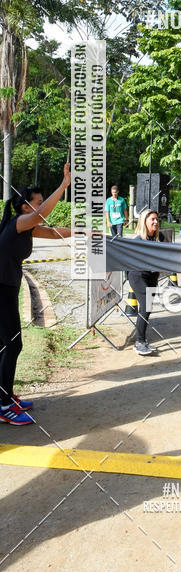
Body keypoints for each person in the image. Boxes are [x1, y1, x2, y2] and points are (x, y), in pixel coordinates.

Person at [0, 163, 72, 424]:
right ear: (24, 206)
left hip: (7, 289)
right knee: (13, 344)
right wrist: (64, 184)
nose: (41, 207)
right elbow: (42, 218)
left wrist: (81, 232)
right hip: (2, 290)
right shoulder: (20, 222)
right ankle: (4, 405)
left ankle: (4, 395)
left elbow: (52, 232)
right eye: (37, 202)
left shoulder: (27, 226)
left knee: (4, 346)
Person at [126, 209, 166, 356]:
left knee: (147, 308)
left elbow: (168, 253)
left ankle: (142, 340)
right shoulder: (137, 241)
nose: (156, 222)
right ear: (144, 222)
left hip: (152, 277)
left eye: (157, 219)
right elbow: (127, 260)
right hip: (137, 276)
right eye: (152, 220)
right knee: (146, 306)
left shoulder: (159, 237)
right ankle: (139, 342)